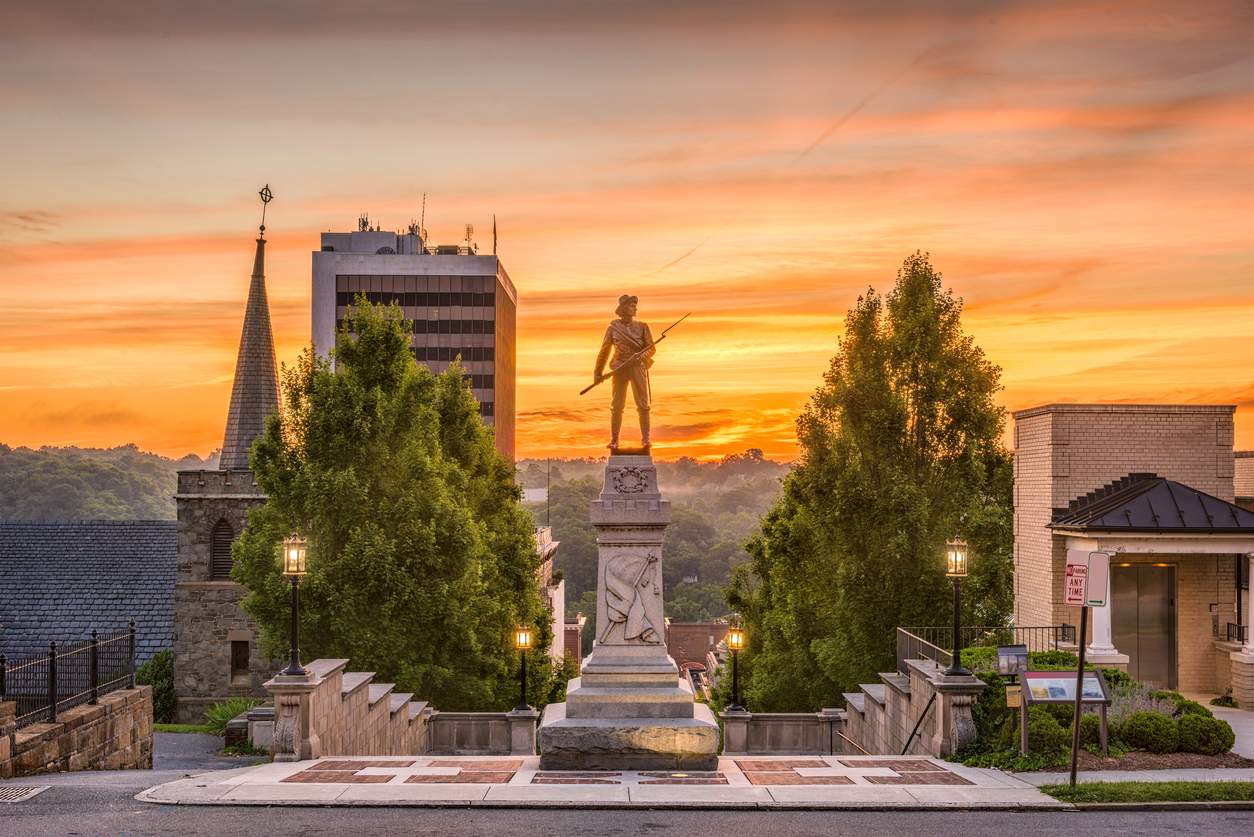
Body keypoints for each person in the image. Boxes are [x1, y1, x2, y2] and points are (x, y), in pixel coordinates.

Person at [594, 294, 654, 450]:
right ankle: (614, 440)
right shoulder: (613, 328)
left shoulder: (643, 327)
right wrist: (598, 373)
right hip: (620, 367)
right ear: (623, 308)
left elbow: (651, 348)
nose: (635, 309)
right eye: (632, 306)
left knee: (642, 404)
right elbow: (604, 351)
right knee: (617, 405)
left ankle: (646, 439)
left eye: (635, 305)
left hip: (637, 367)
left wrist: (640, 356)